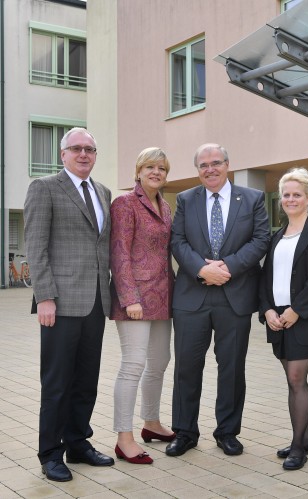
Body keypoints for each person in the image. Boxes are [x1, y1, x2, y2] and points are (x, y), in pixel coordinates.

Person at [166, 143, 270, 457]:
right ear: (197, 170)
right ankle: (184, 432)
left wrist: (229, 267)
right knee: (186, 368)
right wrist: (201, 269)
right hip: (191, 298)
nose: (210, 169)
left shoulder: (252, 198)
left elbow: (261, 238)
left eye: (215, 163)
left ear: (227, 164)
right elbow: (177, 240)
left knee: (232, 368)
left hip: (234, 296)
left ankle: (227, 432)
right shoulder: (185, 199)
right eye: (203, 165)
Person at [24, 127, 114, 482]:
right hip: (59, 304)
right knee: (58, 381)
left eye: (90, 149)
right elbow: (36, 245)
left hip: (95, 302)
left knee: (86, 380)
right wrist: (44, 296)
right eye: (76, 148)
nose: (83, 154)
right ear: (63, 154)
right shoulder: (44, 188)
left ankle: (78, 443)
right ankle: (50, 453)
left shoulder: (103, 192)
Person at [259, 167, 308, 471]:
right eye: (286, 195)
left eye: (297, 194)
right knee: (293, 380)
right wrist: (267, 310)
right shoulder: (276, 236)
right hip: (278, 317)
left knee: (296, 379)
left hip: (306, 316)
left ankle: (297, 447)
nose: (291, 199)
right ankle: (307, 439)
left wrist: (296, 310)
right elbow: (265, 277)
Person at [110, 147, 175, 465]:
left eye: (161, 168)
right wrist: (129, 298)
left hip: (164, 298)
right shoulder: (124, 203)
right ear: (138, 171)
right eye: (149, 166)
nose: (156, 172)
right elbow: (119, 252)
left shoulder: (165, 207)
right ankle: (124, 438)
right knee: (133, 364)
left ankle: (151, 423)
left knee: (160, 361)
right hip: (134, 299)